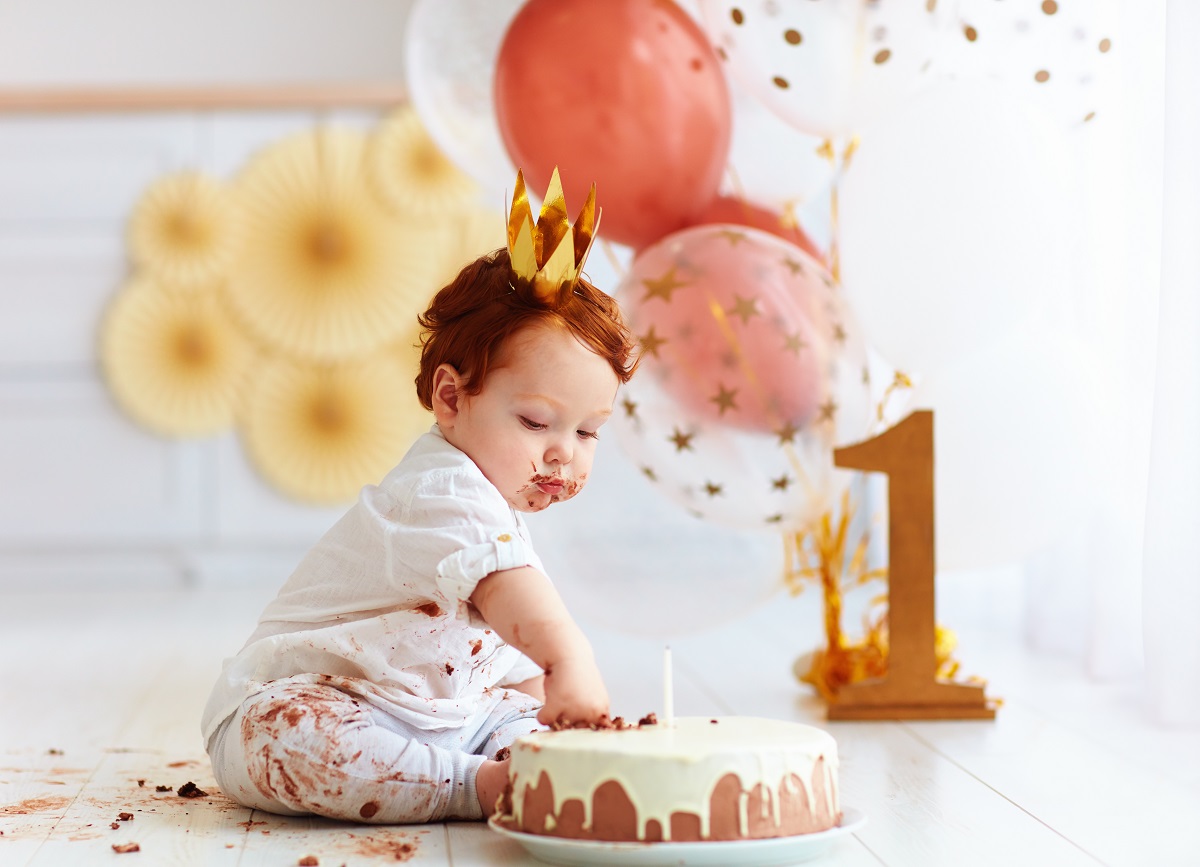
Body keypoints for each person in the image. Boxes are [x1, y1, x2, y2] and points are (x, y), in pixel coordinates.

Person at [201, 170, 638, 824]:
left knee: (523, 719)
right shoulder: (442, 490)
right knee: (289, 734)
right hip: (328, 697)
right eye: (536, 422)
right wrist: (570, 662)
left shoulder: (496, 505)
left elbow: (504, 653)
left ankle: (510, 767)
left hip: (449, 716)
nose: (563, 452)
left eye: (588, 431)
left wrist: (538, 706)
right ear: (452, 397)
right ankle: (474, 787)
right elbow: (521, 607)